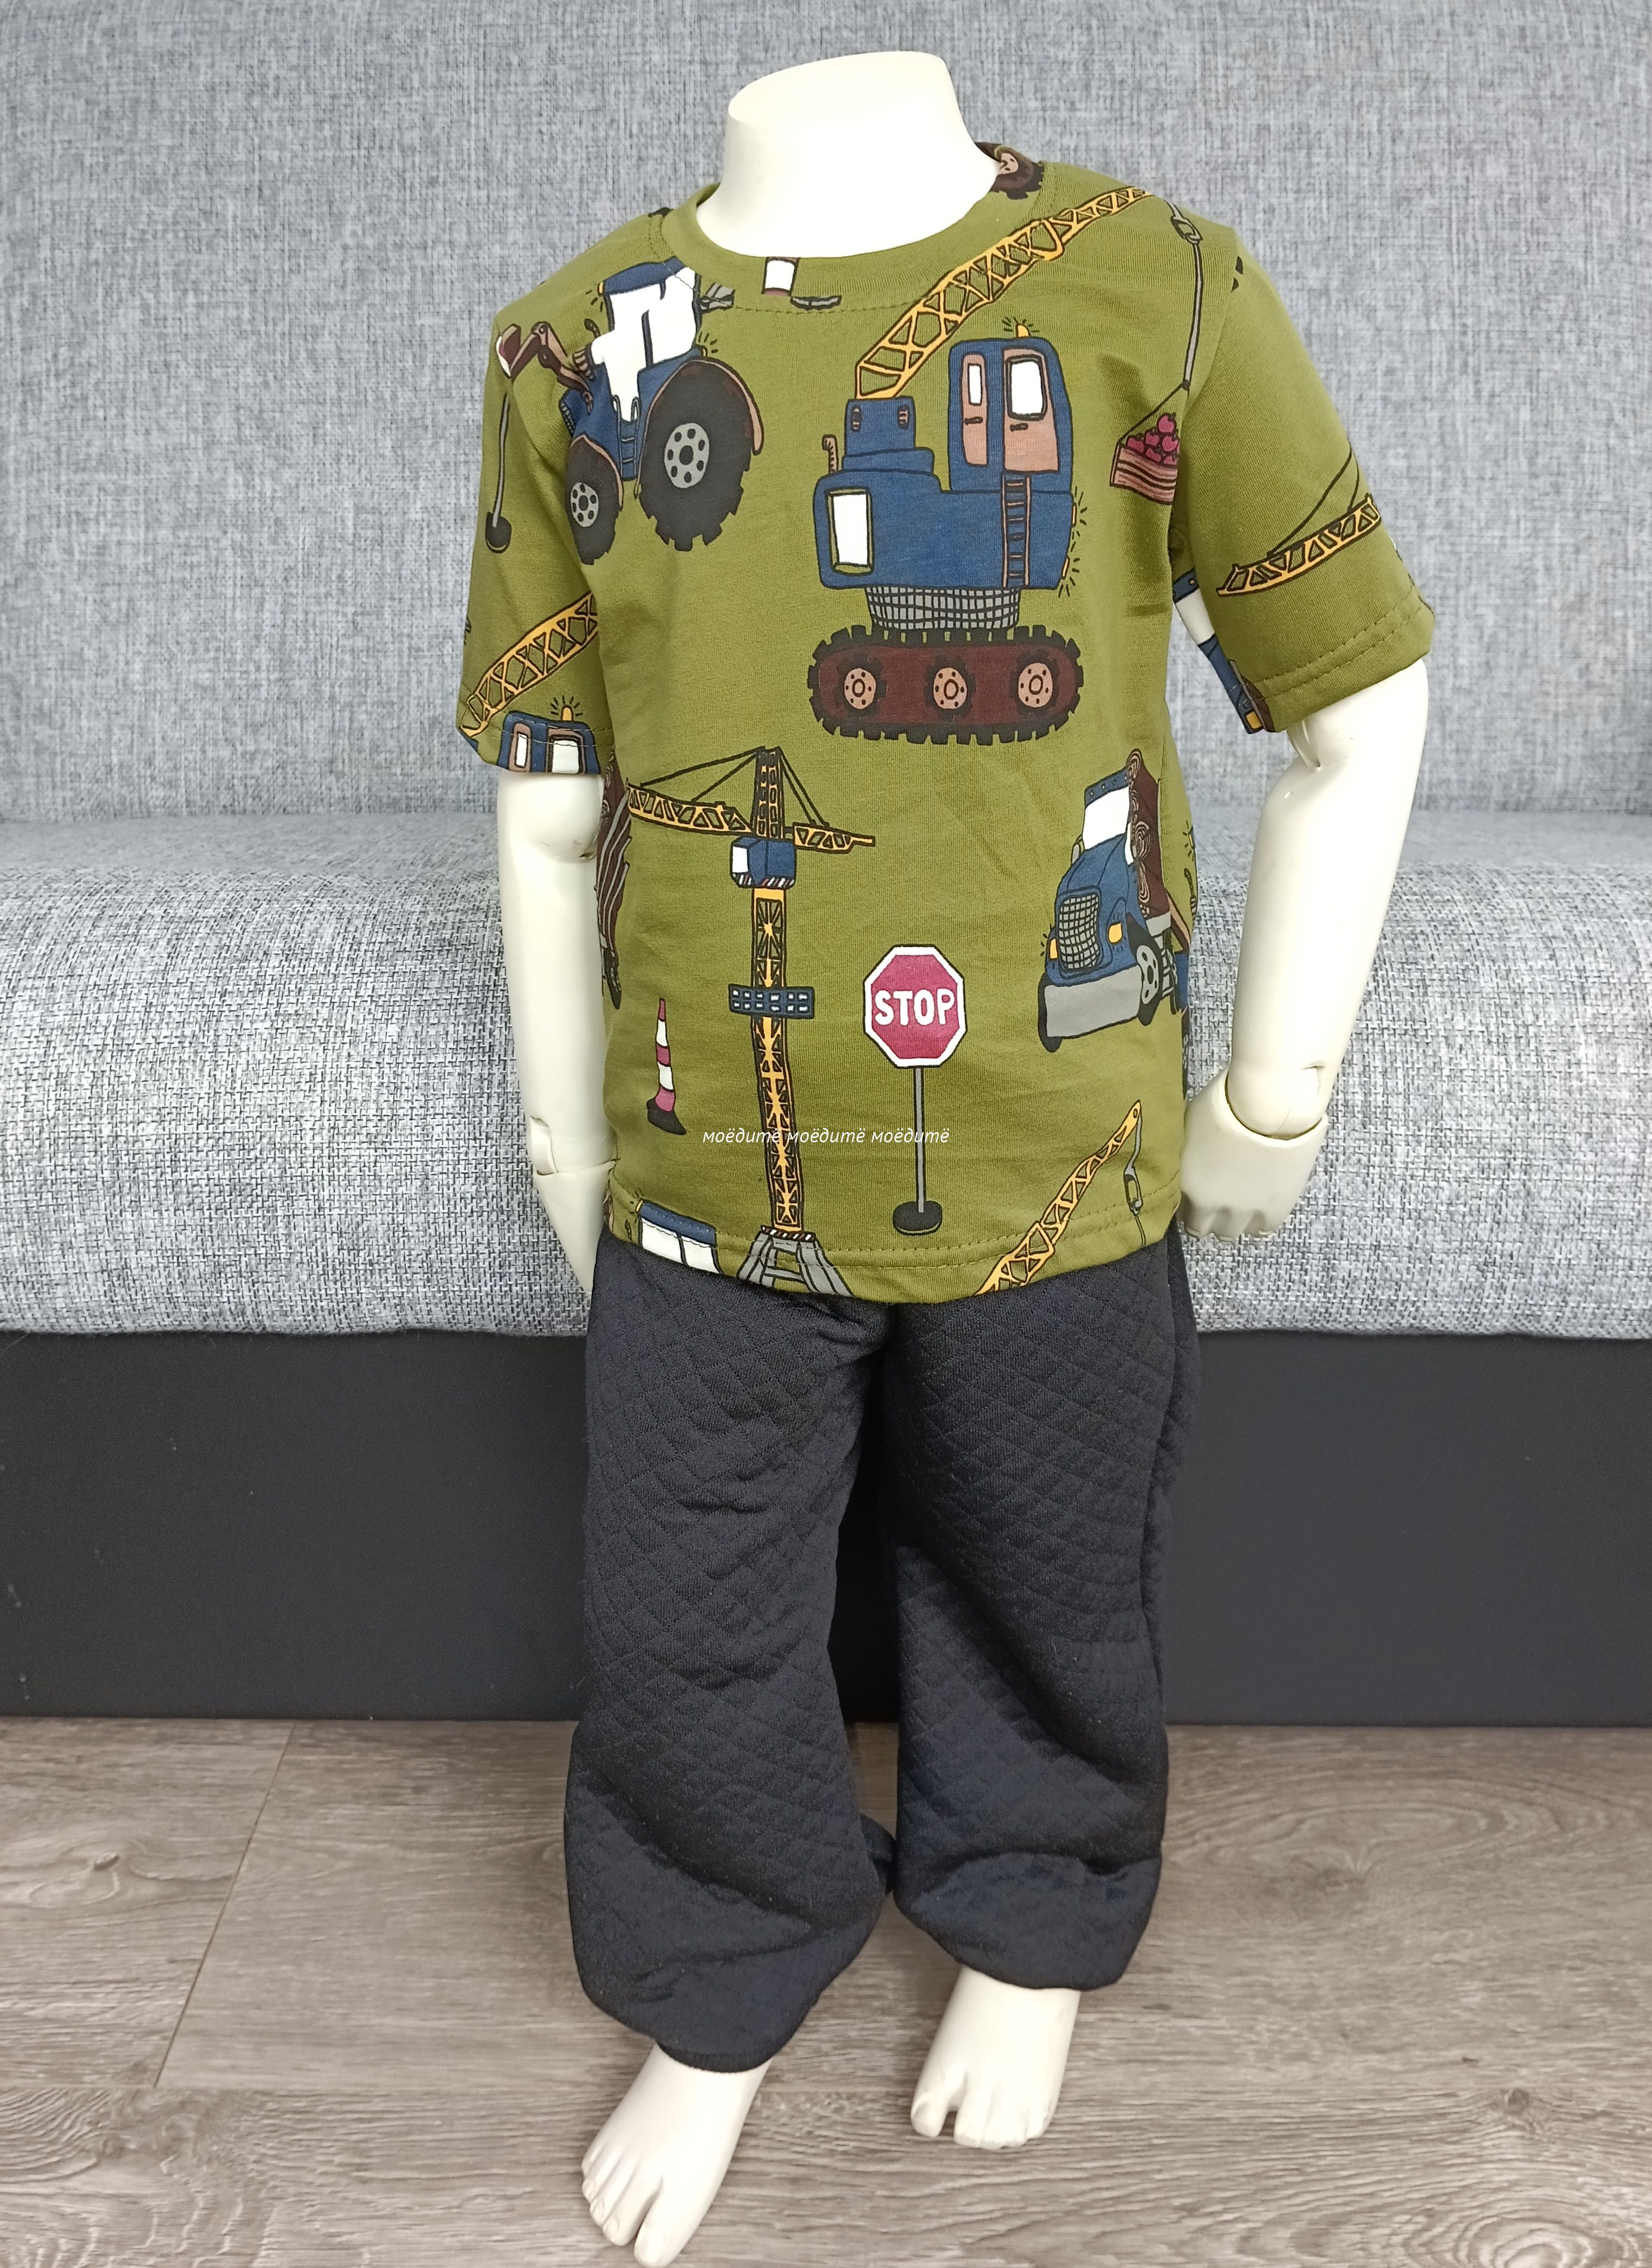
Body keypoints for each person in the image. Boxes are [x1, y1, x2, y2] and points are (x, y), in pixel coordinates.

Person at [457, 51, 1430, 2266]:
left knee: (1045, 1563)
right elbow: (544, 794)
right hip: (702, 1156)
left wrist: (1271, 1090)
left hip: (1062, 1148)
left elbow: (1355, 701)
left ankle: (1031, 1914)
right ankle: (716, 1973)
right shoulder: (568, 344)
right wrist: (563, 1127)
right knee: (685, 1609)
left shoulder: (1157, 288)